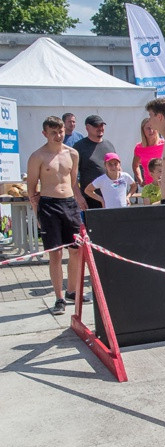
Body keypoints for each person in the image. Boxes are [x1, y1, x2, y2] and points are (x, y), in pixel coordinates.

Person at [27, 116, 90, 315]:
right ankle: (59, 297)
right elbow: (31, 189)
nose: (58, 135)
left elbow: (72, 183)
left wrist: (78, 200)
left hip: (69, 204)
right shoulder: (38, 156)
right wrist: (38, 213)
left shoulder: (72, 153)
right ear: (45, 134)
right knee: (55, 253)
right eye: (53, 132)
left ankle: (72, 291)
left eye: (61, 131)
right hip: (49, 204)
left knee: (76, 250)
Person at [74, 114, 117, 210]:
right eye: (96, 126)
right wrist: (78, 196)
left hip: (111, 196)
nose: (100, 128)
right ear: (87, 128)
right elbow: (72, 175)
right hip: (91, 197)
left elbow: (118, 169)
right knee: (93, 225)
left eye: (102, 125)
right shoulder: (79, 147)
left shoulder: (108, 145)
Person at [132, 118, 164, 186]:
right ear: (143, 130)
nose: (151, 130)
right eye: (148, 128)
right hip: (149, 186)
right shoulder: (139, 148)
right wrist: (140, 181)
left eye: (153, 127)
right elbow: (135, 165)